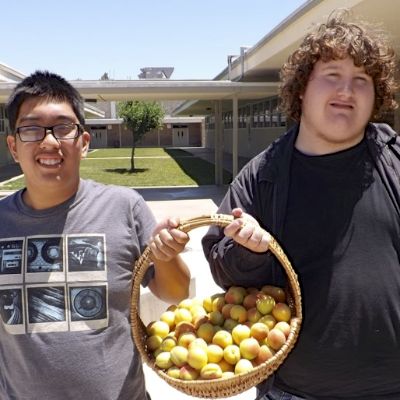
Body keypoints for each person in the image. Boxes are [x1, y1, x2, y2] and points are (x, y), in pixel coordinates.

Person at [202, 9, 400, 400]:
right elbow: (223, 269)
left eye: (361, 80)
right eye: (332, 76)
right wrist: (249, 251)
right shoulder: (262, 177)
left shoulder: (395, 160)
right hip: (295, 392)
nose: (346, 90)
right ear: (301, 90)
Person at [0, 70, 190, 400]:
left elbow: (176, 293)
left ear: (84, 142)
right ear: (14, 147)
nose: (49, 142)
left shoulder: (124, 206)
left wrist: (167, 255)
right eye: (32, 129)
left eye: (62, 128)